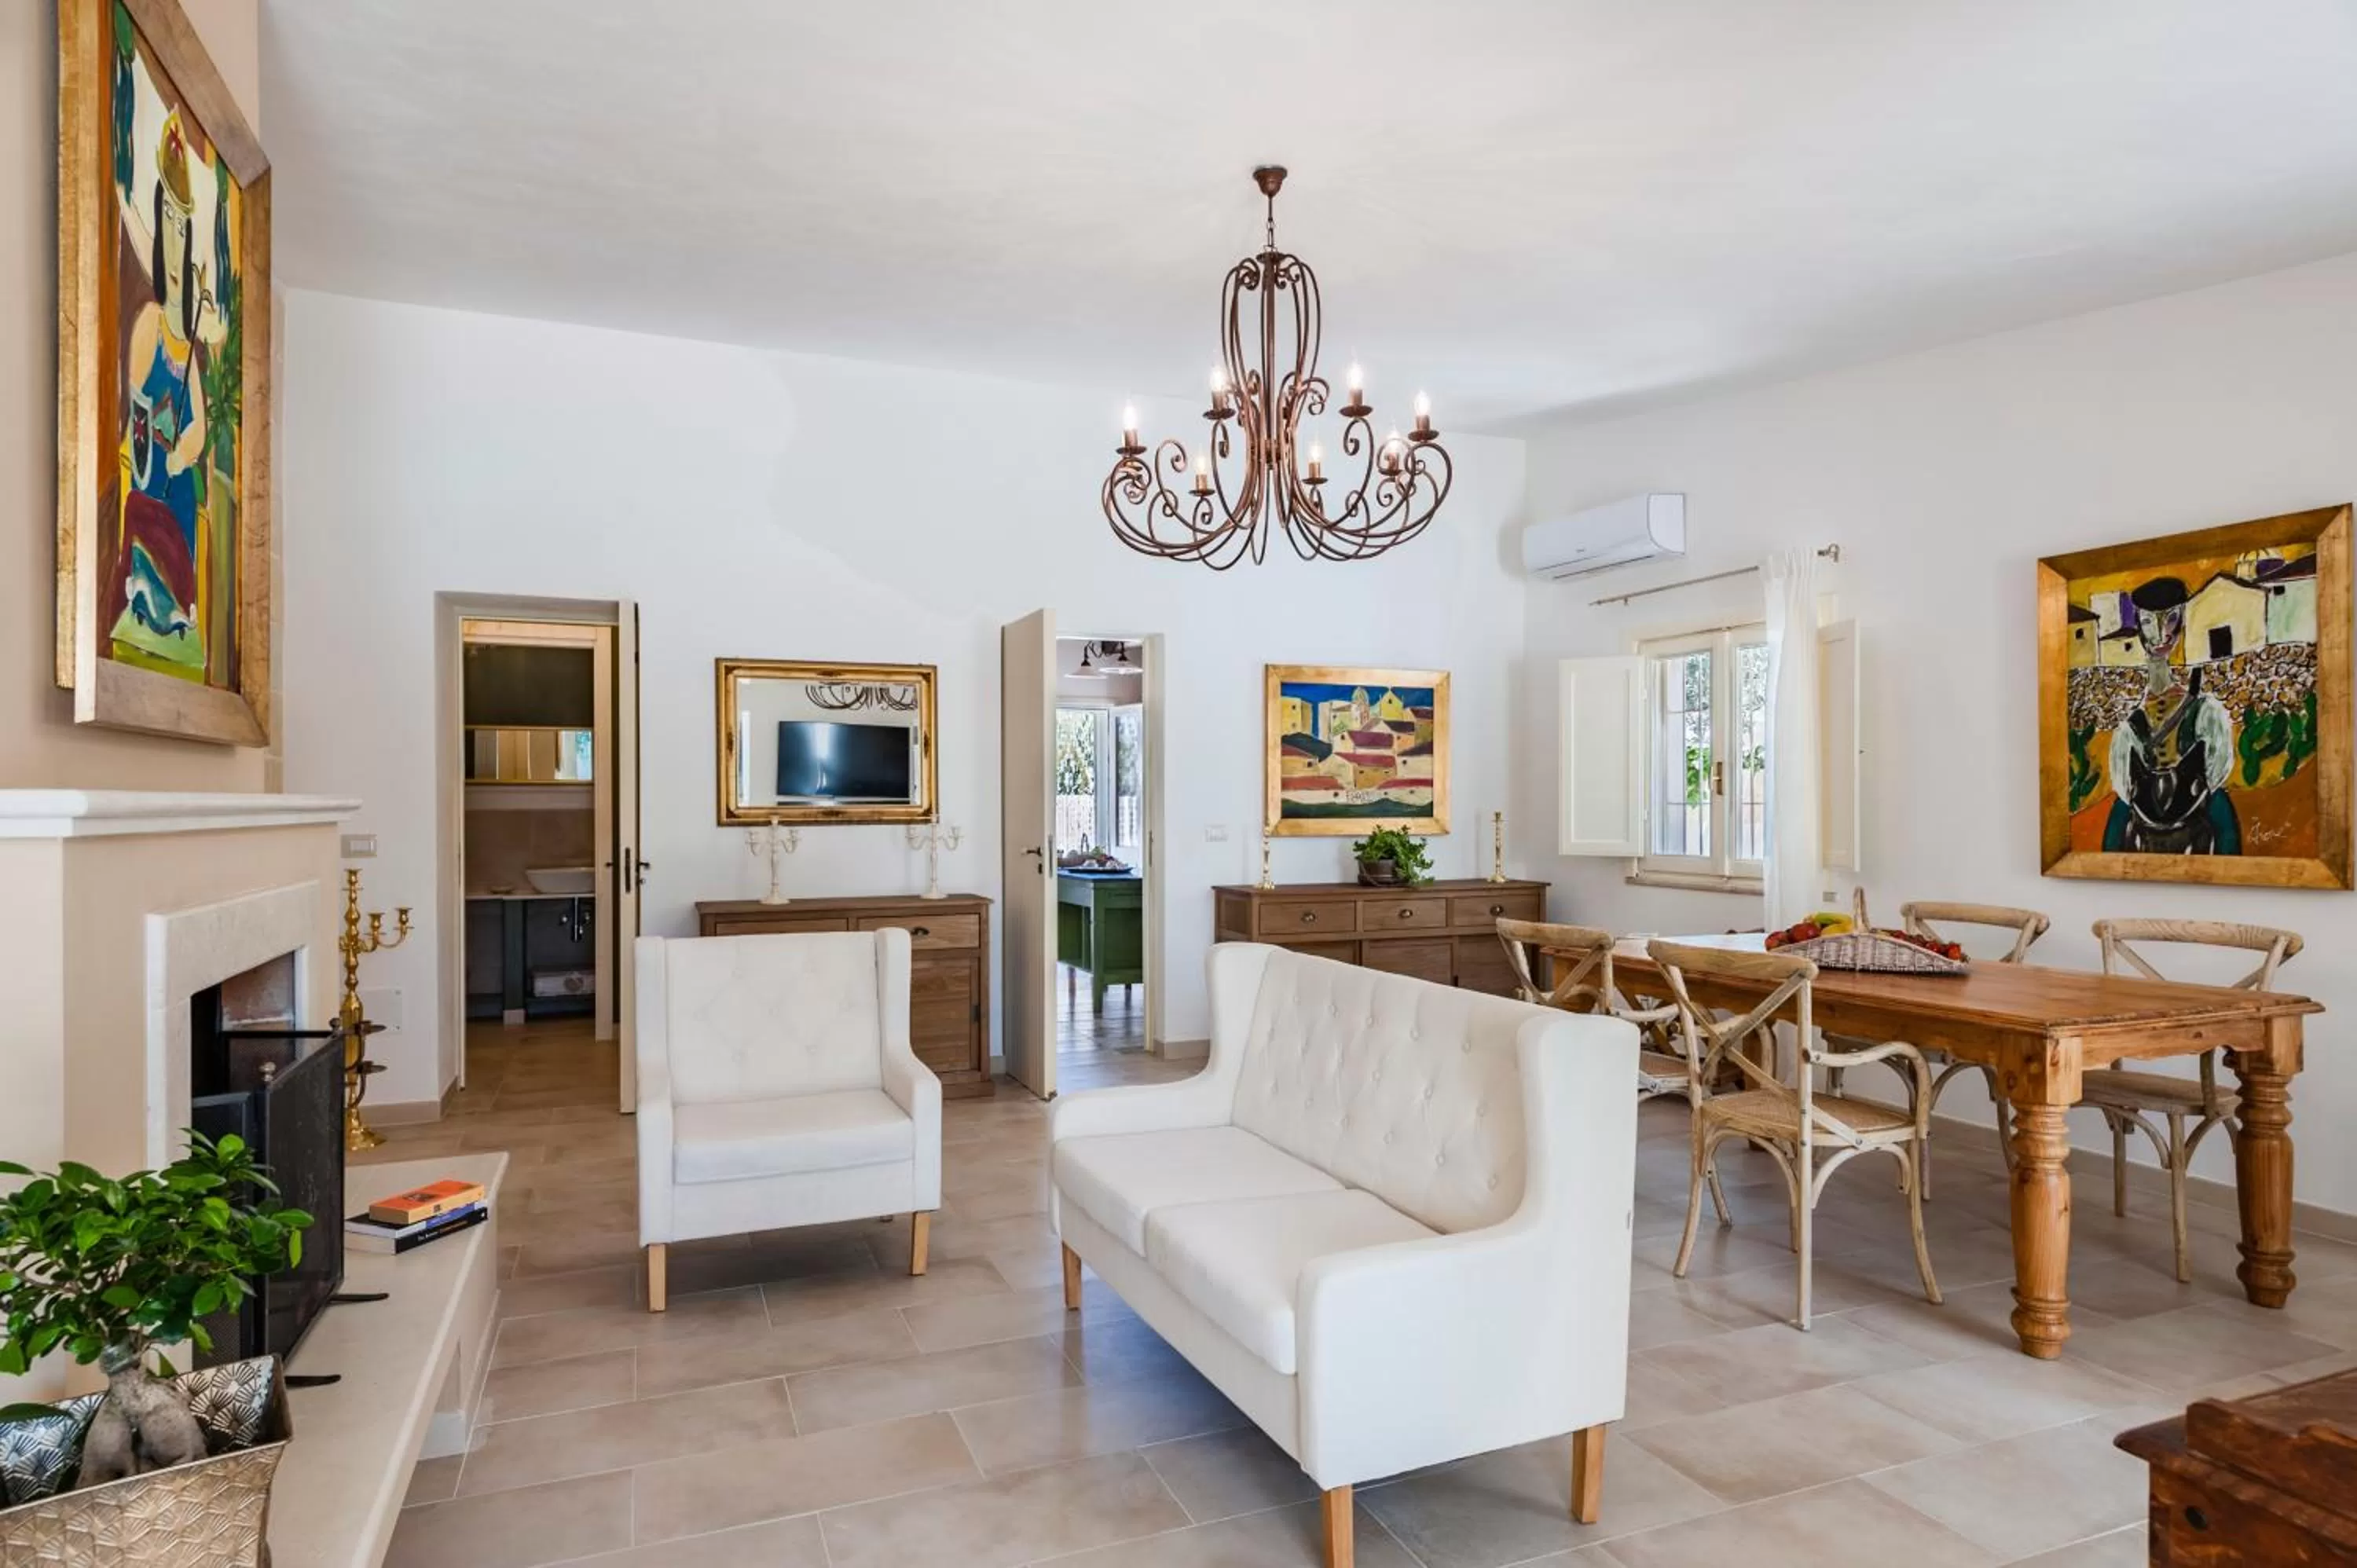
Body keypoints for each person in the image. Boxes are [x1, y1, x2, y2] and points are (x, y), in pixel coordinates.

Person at [2102, 576, 2240, 855]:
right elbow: (2125, 786)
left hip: (2194, 805)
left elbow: (2215, 774)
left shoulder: (2204, 711)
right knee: (2115, 832)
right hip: (2144, 808)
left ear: (2181, 623)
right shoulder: (2130, 726)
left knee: (2224, 824)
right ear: (2139, 627)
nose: (2162, 634)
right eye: (2151, 622)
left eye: (2171, 620)